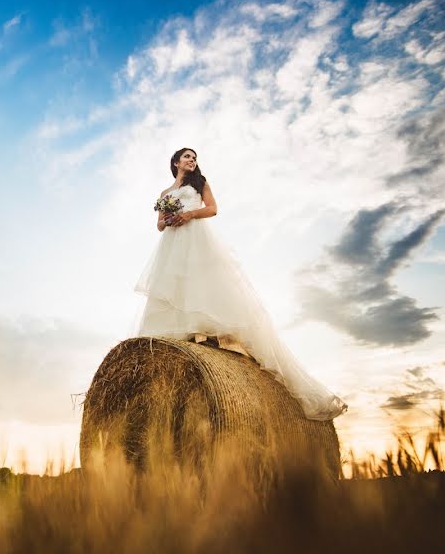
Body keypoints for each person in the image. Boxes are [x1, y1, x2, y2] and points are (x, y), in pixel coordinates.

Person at [135, 148, 346, 420]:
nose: (192, 160)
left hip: (196, 235)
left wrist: (188, 215)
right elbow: (160, 226)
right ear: (176, 162)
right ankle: (183, 337)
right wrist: (168, 217)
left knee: (203, 282)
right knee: (176, 287)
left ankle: (207, 334)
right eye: (187, 157)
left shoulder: (200, 183)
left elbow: (212, 209)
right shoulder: (165, 194)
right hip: (173, 242)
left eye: (194, 157)